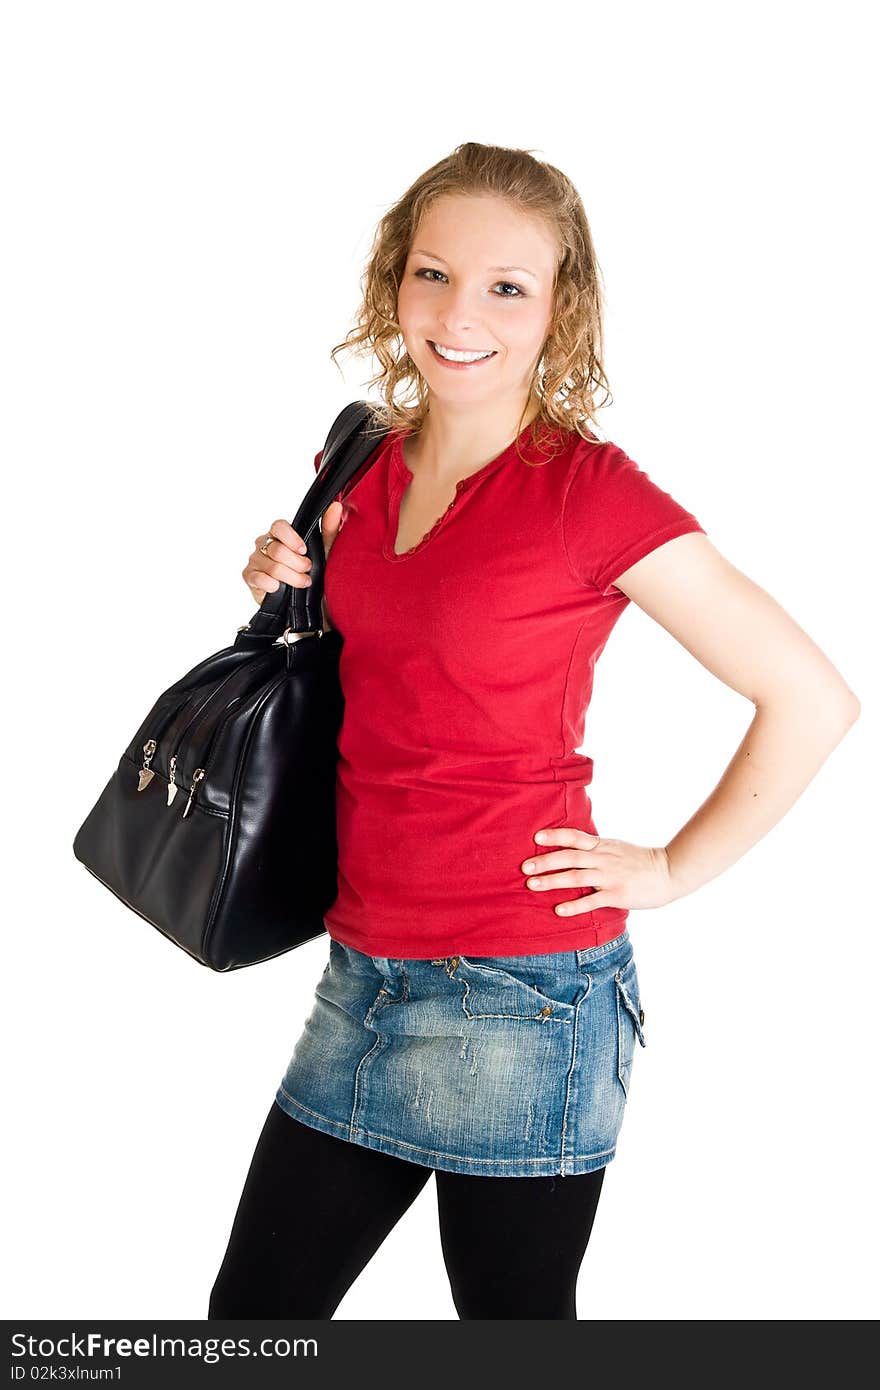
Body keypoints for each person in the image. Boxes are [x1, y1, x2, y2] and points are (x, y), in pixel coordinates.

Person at [207, 142, 860, 1321]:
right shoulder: (358, 459)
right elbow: (387, 679)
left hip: (522, 991)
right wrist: (286, 584)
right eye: (433, 273)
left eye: (507, 286)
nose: (460, 314)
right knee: (250, 1325)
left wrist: (668, 867)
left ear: (561, 308)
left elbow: (813, 698)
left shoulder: (591, 494)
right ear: (391, 284)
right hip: (359, 972)